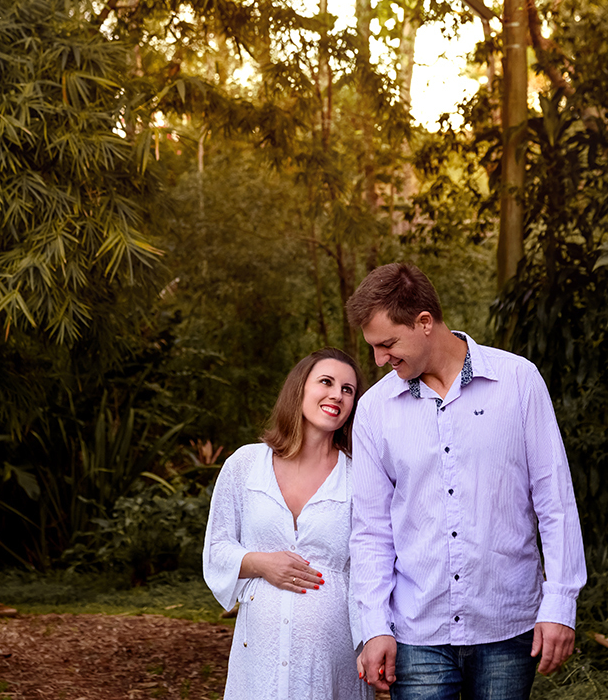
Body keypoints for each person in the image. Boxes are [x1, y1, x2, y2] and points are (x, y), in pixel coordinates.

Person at [347, 263, 587, 700]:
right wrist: (374, 626)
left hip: (507, 626)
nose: (380, 360)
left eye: (387, 344)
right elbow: (370, 531)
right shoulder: (373, 409)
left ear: (424, 323)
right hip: (417, 630)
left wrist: (560, 602)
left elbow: (555, 501)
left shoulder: (518, 381)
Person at [203, 348, 375, 700]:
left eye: (348, 389)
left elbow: (370, 564)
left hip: (333, 655)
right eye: (326, 382)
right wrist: (262, 563)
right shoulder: (245, 464)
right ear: (299, 390)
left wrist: (372, 638)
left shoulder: (360, 477)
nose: (337, 395)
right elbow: (217, 547)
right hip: (258, 654)